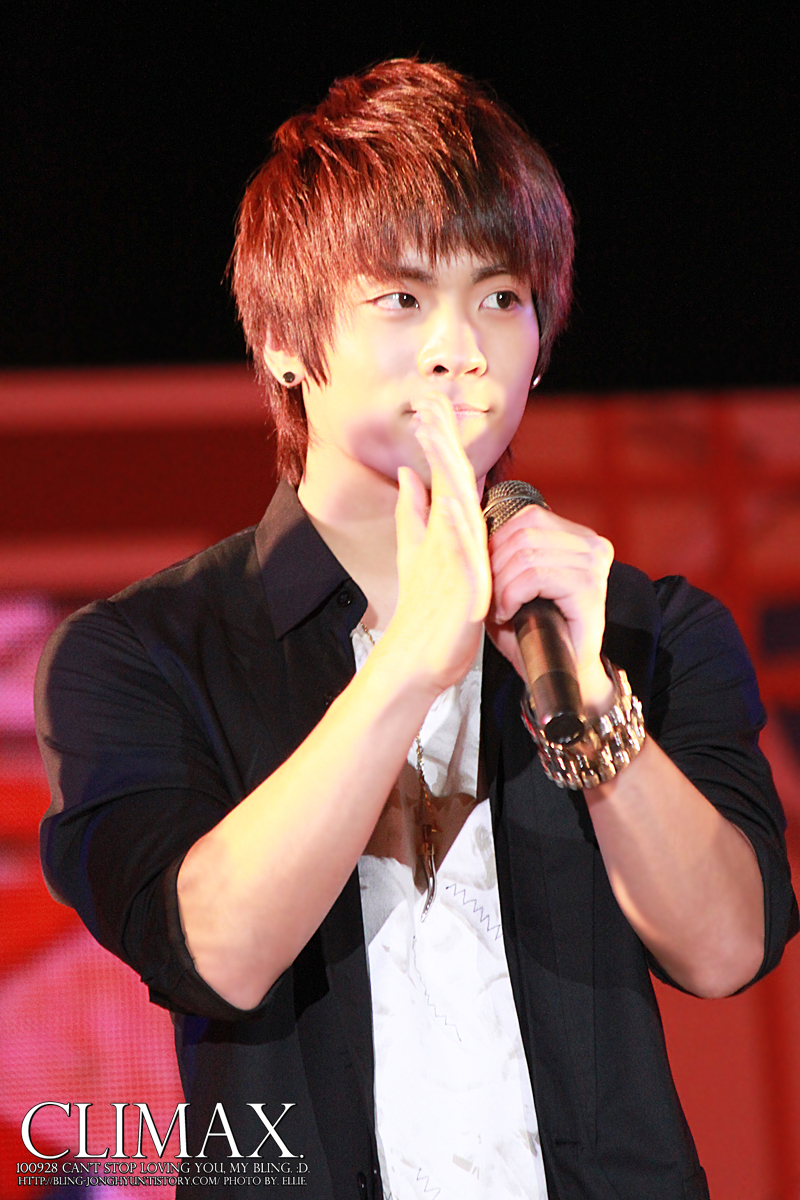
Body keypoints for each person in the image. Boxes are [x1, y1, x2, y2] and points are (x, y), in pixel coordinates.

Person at [36, 59, 797, 1200]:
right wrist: (406, 662)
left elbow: (727, 948)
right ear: (285, 343)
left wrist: (588, 702)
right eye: (401, 299)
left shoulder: (644, 628)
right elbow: (215, 953)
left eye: (501, 297)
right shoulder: (141, 653)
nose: (460, 347)